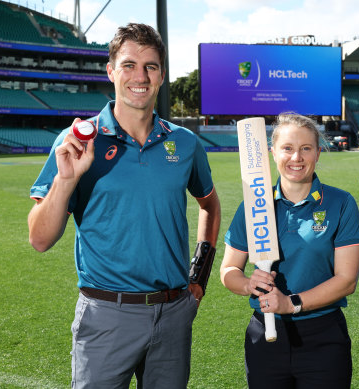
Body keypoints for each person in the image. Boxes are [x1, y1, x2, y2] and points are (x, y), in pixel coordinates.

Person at [28, 23, 221, 388]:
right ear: (111, 71)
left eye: (150, 66)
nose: (140, 76)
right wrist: (66, 180)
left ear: (162, 75)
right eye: (129, 64)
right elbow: (39, 239)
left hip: (174, 313)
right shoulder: (76, 141)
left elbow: (209, 204)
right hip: (106, 316)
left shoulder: (185, 144)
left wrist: (200, 275)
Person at [220, 113, 359, 389]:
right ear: (272, 153)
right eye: (287, 148)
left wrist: (290, 303)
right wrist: (248, 284)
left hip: (323, 336)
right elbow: (228, 270)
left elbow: (347, 281)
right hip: (265, 335)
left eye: (305, 148)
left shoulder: (341, 203)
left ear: (318, 153)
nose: (296, 157)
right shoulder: (252, 206)